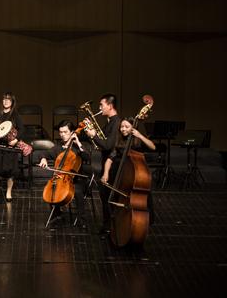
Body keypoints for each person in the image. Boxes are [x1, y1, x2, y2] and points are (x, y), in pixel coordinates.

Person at [101, 117, 156, 224]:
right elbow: (109, 159)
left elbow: (153, 147)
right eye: (122, 126)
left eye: (127, 127)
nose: (123, 129)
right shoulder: (119, 141)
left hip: (136, 176)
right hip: (123, 176)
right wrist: (105, 173)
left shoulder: (138, 140)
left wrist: (140, 135)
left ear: (133, 128)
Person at [38, 120, 90, 227]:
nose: (62, 135)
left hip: (77, 180)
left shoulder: (78, 147)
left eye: (65, 132)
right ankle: (57, 215)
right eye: (61, 132)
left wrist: (78, 142)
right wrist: (43, 159)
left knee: (78, 192)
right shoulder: (59, 147)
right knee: (53, 188)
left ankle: (82, 219)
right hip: (62, 179)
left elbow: (87, 157)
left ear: (72, 132)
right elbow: (43, 153)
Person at [84, 93, 120, 233]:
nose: (99, 108)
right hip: (105, 162)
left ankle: (111, 227)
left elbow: (108, 145)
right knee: (104, 197)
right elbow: (100, 143)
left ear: (110, 106)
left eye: (101, 105)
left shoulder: (116, 123)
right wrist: (90, 131)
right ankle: (107, 226)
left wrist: (94, 135)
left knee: (109, 197)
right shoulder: (110, 122)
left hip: (113, 165)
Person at [0, 92, 24, 203]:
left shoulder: (15, 115)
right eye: (4, 99)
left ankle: (8, 192)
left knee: (9, 171)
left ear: (12, 102)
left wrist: (16, 140)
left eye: (8, 99)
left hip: (9, 146)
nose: (6, 101)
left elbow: (22, 129)